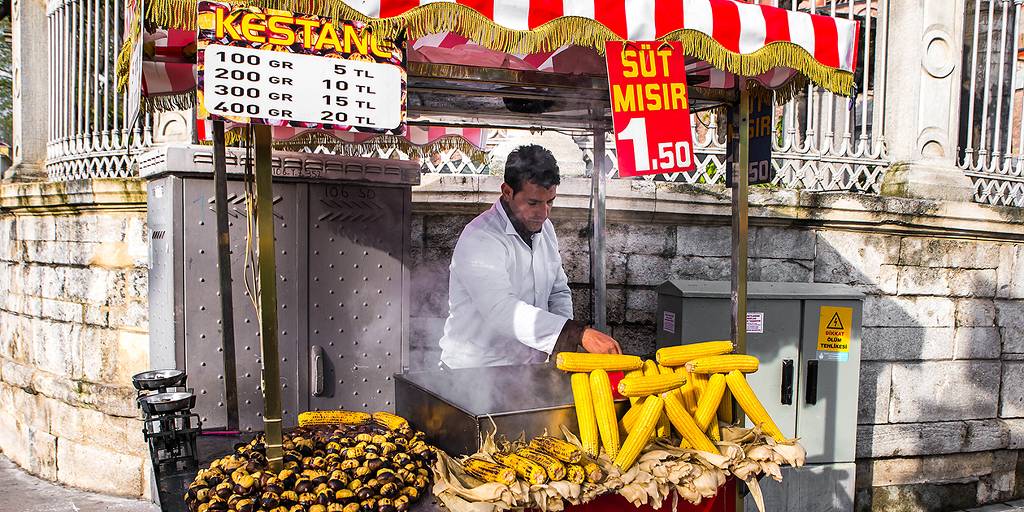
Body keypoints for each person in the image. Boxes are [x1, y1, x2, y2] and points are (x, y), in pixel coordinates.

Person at [438, 144, 623, 369]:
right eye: (533, 203)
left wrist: (561, 349)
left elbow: (558, 292)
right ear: (507, 192)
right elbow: (500, 309)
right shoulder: (481, 238)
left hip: (527, 371)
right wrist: (576, 333)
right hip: (474, 371)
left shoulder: (546, 230)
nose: (544, 213)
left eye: (550, 202)